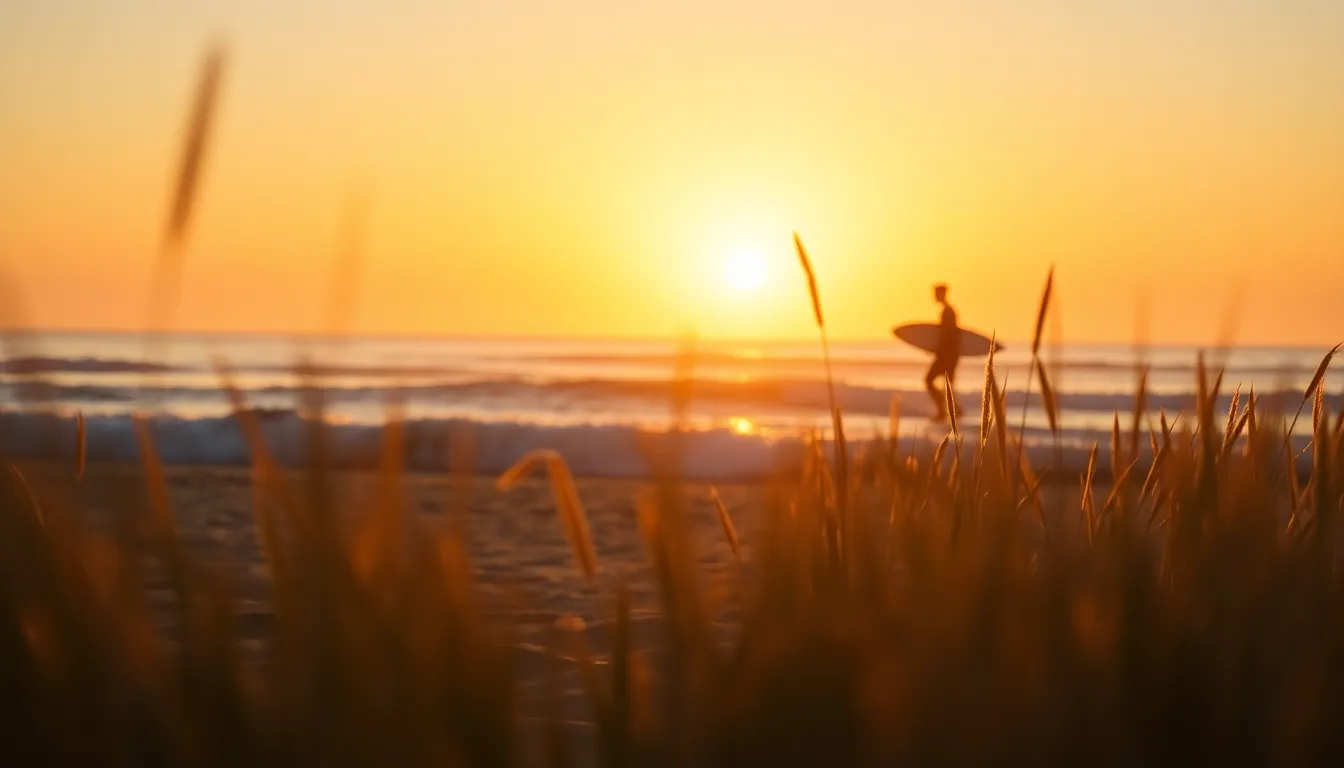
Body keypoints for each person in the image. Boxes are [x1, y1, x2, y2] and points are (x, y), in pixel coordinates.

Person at [924, 283, 960, 422]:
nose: (933, 296)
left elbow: (949, 335)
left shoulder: (948, 312)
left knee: (930, 380)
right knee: (947, 384)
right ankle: (950, 410)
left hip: (947, 355)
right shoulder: (948, 311)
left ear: (942, 294)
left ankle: (943, 411)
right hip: (949, 354)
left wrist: (938, 350)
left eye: (936, 293)